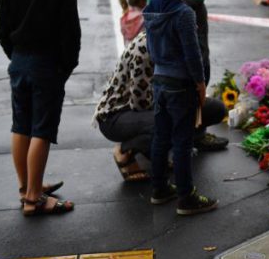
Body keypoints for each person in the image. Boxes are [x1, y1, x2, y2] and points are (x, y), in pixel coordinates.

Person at [0, 0, 80, 216]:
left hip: (19, 61)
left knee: (21, 125)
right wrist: (64, 68)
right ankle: (34, 198)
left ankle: (26, 188)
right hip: (47, 65)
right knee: (42, 129)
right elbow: (71, 38)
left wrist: (16, 57)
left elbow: (3, 31)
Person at [94, 29, 229, 182]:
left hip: (157, 102)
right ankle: (125, 150)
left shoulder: (181, 42)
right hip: (117, 115)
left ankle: (187, 140)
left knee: (215, 109)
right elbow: (140, 103)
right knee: (167, 121)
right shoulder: (145, 49)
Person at [143, 0, 218, 215]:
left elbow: (150, 48)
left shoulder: (151, 8)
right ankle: (187, 198)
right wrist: (200, 83)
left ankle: (159, 188)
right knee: (183, 142)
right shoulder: (184, 12)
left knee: (161, 137)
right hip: (182, 83)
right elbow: (192, 53)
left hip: (160, 80)